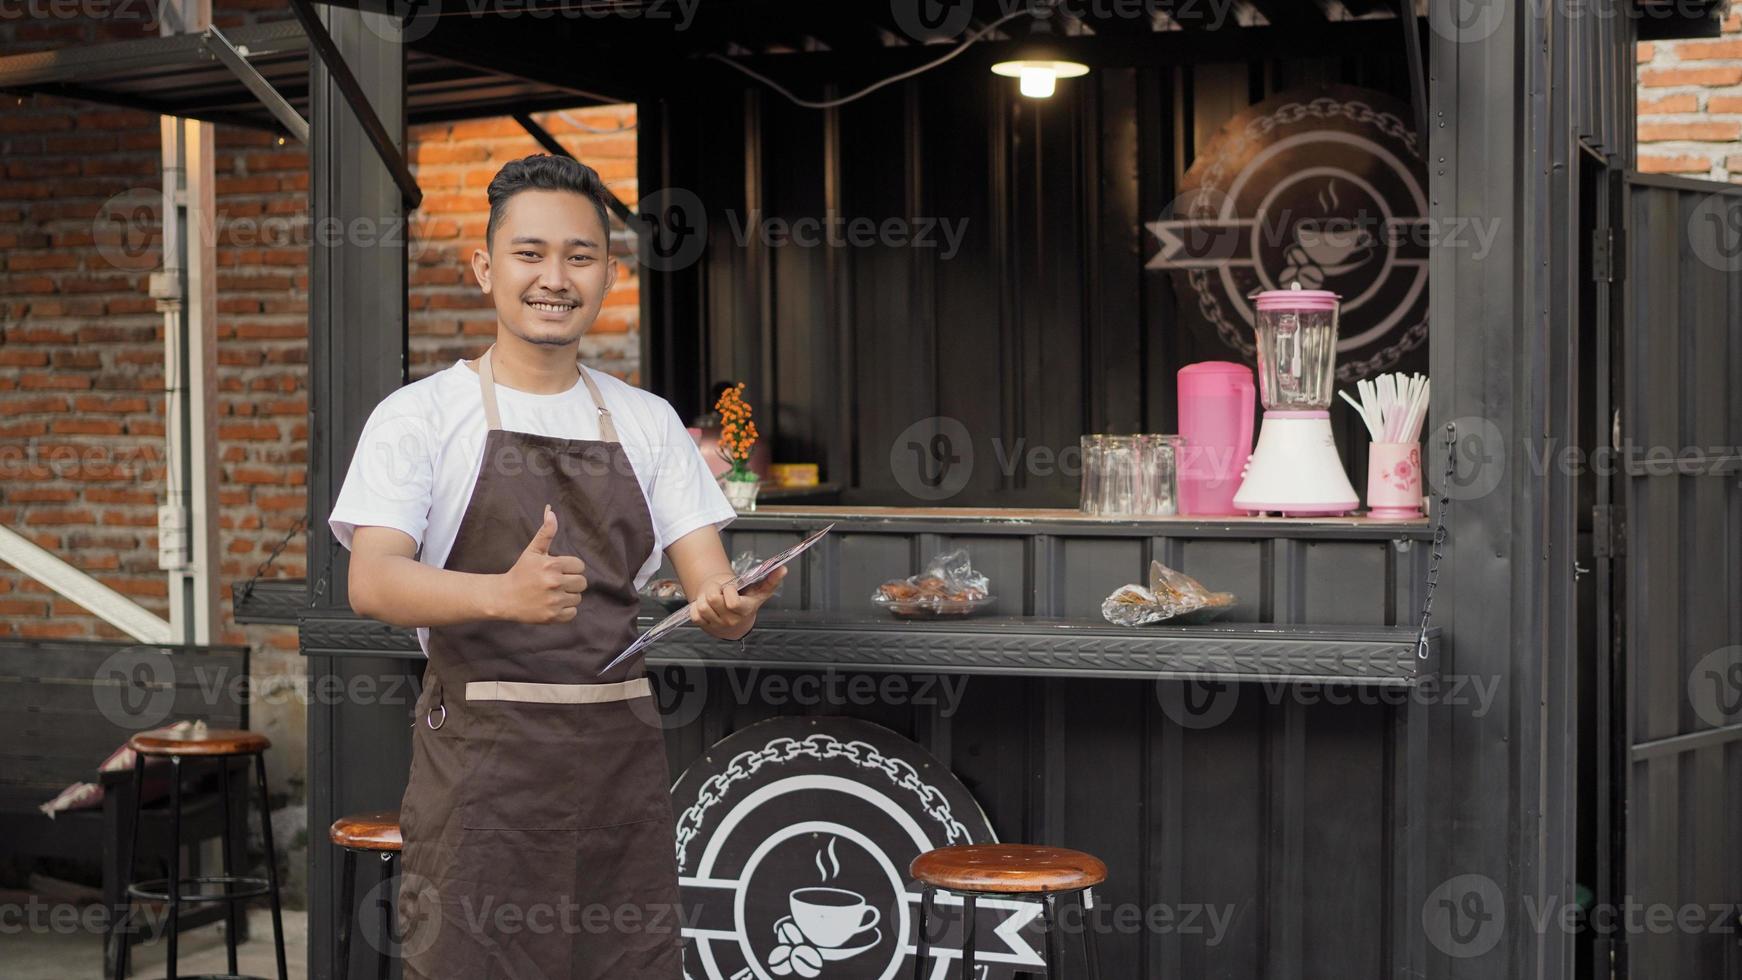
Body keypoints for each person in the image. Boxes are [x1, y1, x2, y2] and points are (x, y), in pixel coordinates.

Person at [328, 153, 783, 979]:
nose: (554, 277)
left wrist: (730, 604)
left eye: (579, 256)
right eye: (529, 253)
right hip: (480, 769)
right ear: (485, 268)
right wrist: (501, 596)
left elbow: (704, 574)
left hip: (617, 764)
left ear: (609, 273)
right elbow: (373, 580)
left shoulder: (646, 423)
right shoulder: (421, 415)